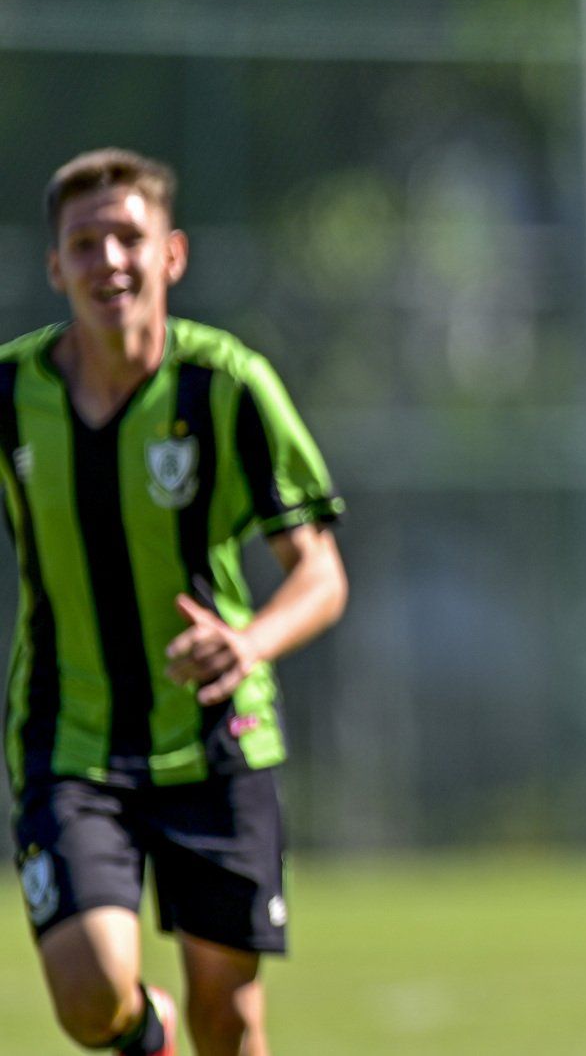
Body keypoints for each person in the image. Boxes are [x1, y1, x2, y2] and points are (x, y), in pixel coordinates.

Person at [2, 149, 349, 1056]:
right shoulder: (12, 395)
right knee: (89, 997)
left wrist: (249, 640)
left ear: (172, 254)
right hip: (69, 737)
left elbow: (320, 573)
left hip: (216, 740)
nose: (108, 259)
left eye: (128, 236)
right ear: (55, 267)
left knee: (227, 1013)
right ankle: (144, 1034)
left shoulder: (225, 385)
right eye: (85, 242)